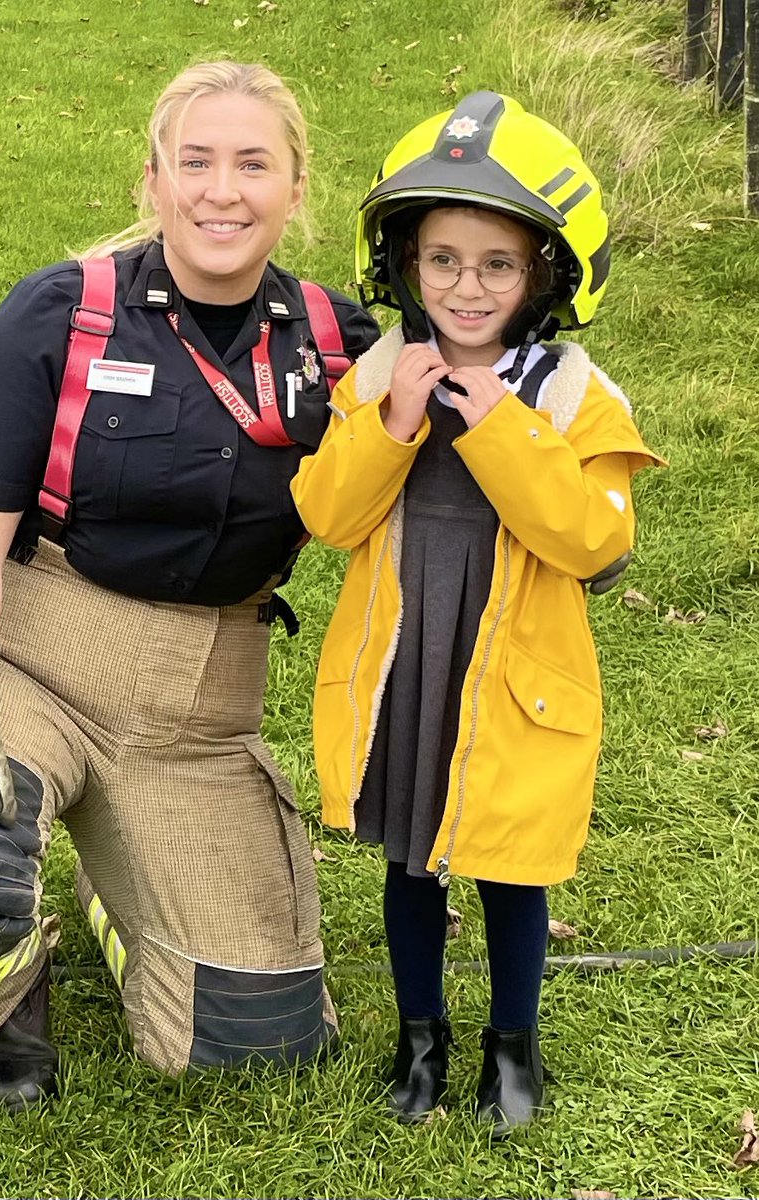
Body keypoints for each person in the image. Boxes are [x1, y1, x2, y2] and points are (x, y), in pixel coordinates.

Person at [0, 60, 380, 1111]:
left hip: (196, 710)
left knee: (249, 1040)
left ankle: (109, 887)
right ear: (154, 180)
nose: (222, 190)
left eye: (253, 164)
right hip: (36, 652)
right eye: (197, 162)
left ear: (295, 189)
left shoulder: (334, 342)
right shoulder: (59, 315)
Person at [291, 91, 664, 1135]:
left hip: (509, 679)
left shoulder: (571, 397)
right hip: (408, 666)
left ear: (544, 274)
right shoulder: (377, 375)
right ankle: (419, 1039)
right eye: (443, 260)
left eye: (496, 264)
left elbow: (592, 542)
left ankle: (512, 1046)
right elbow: (325, 514)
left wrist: (502, 429)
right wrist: (392, 422)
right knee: (411, 860)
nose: (467, 285)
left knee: (507, 865)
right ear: (404, 267)